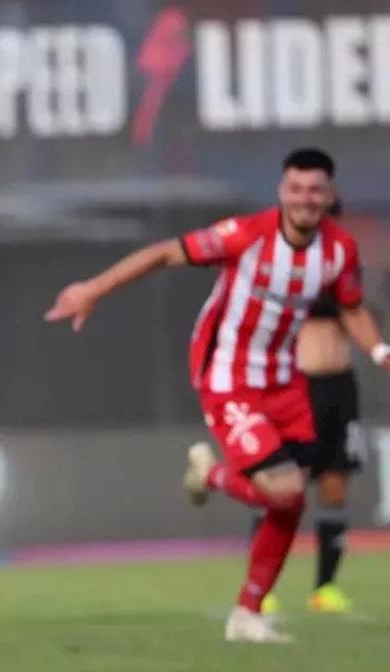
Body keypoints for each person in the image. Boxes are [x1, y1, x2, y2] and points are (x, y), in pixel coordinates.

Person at [45, 148, 390, 643]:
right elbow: (164, 253)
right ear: (282, 192)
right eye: (296, 189)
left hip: (286, 380)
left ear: (329, 195)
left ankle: (246, 614)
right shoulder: (246, 235)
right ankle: (210, 474)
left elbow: (353, 307)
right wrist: (93, 290)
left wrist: (379, 351)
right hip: (228, 376)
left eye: (315, 190)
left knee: (289, 503)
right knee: (286, 489)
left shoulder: (339, 251)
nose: (305, 199)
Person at [256, 197, 364, 615]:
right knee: (280, 486)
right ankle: (262, 589)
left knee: (335, 485)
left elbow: (357, 314)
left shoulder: (346, 264)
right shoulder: (283, 265)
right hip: (296, 386)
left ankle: (325, 588)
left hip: (339, 387)